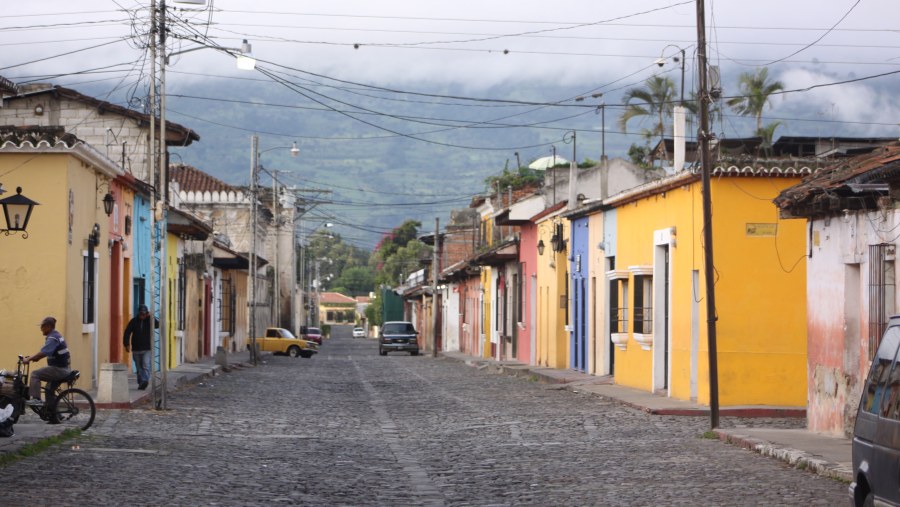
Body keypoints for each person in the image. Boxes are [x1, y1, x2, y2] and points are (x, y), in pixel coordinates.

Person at [24, 316, 71, 406]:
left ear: (48, 326)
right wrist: (35, 358)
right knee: (49, 390)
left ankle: (36, 399)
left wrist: (29, 359)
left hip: (60, 369)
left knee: (35, 374)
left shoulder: (53, 338)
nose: (41, 329)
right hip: (63, 368)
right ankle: (55, 417)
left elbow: (44, 352)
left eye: (42, 326)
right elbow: (47, 352)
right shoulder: (56, 335)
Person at [123, 304, 157, 390]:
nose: (142, 315)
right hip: (136, 349)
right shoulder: (133, 321)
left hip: (147, 348)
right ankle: (141, 383)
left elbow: (157, 325)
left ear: (147, 314)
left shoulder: (150, 321)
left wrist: (151, 317)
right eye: (141, 314)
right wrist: (126, 344)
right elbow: (127, 332)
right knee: (139, 368)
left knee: (145, 365)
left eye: (144, 314)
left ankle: (145, 381)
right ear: (138, 313)